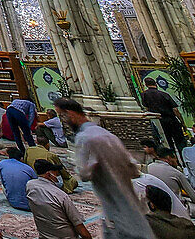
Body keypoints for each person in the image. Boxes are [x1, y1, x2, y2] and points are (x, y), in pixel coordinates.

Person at [55, 97, 151, 239]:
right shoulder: (108, 135)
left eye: (61, 116)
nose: (63, 121)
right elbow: (133, 170)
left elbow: (84, 173)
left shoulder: (84, 138)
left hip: (114, 207)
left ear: (70, 114)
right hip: (132, 203)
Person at [26, 159, 92, 239]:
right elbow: (82, 230)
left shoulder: (30, 185)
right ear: (48, 175)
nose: (58, 176)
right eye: (56, 173)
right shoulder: (61, 196)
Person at [143, 78, 186, 156]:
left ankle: (173, 161)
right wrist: (182, 121)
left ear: (146, 85)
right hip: (171, 120)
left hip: (159, 122)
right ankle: (184, 160)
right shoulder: (164, 94)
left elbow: (146, 108)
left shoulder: (145, 95)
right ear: (156, 84)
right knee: (180, 142)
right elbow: (175, 109)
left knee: (167, 143)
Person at [0, 146, 36, 211]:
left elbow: (4, 183)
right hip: (30, 204)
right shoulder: (28, 169)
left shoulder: (2, 163)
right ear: (21, 158)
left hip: (13, 201)